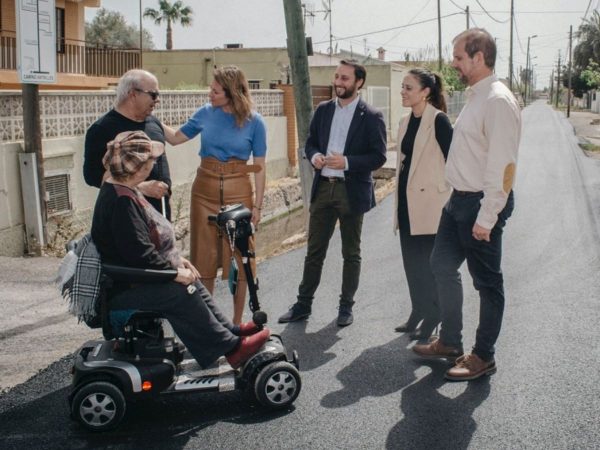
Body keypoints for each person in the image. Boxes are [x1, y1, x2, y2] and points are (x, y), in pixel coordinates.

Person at [90, 130, 270, 369]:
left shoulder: (122, 189)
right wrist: (174, 272)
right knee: (181, 291)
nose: (154, 163)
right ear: (139, 168)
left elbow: (139, 253)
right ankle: (231, 348)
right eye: (151, 160)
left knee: (192, 281)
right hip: (125, 290)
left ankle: (230, 332)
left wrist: (177, 263)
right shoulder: (121, 202)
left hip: (133, 279)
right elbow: (141, 256)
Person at [413, 28, 521, 381]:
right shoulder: (476, 96)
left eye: (459, 57)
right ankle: (450, 341)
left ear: (478, 57)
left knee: (487, 285)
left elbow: (503, 168)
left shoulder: (497, 101)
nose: (453, 63)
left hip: (480, 205)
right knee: (441, 265)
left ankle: (483, 356)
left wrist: (487, 218)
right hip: (456, 201)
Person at [278, 59, 387, 327]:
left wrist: (347, 162)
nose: (338, 82)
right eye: (337, 77)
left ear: (359, 82)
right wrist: (314, 155)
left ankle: (345, 307)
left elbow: (379, 156)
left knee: (351, 253)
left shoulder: (371, 116)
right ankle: (303, 305)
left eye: (345, 78)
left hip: (351, 191)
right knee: (314, 251)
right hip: (323, 188)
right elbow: (311, 142)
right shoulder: (324, 110)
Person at [162, 66, 267, 325]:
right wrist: (152, 119)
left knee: (242, 259)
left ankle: (237, 322)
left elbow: (260, 167)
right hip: (204, 192)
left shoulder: (255, 122)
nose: (210, 93)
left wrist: (258, 207)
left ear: (231, 93)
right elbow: (175, 139)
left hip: (239, 192)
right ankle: (209, 325)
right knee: (203, 258)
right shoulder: (205, 113)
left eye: (215, 90)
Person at [393, 68, 453, 340]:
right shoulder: (405, 121)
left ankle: (433, 316)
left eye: (408, 87)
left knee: (429, 266)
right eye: (402, 87)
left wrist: (444, 192)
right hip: (407, 203)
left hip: (430, 204)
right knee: (411, 263)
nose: (403, 92)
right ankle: (418, 310)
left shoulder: (439, 120)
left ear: (425, 92)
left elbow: (453, 161)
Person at [84, 69, 172, 219]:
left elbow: (176, 139)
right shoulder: (101, 129)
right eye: (153, 94)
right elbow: (91, 176)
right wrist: (141, 187)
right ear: (133, 94)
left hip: (160, 213)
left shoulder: (153, 122)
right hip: (127, 216)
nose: (157, 100)